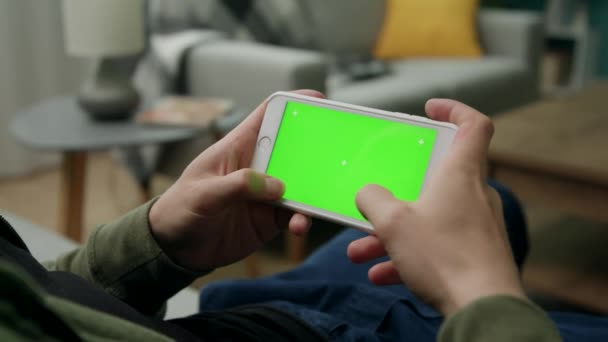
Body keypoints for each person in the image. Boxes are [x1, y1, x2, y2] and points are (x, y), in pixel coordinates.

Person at [0, 90, 604, 341]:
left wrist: (156, 244)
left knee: (498, 200)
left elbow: (32, 297)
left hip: (243, 316)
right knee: (485, 214)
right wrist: (480, 293)